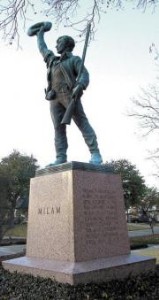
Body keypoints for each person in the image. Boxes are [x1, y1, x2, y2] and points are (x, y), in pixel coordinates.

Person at [36, 27, 103, 166]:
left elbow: (84, 74)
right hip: (54, 98)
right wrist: (40, 34)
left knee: (82, 123)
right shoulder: (52, 60)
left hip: (69, 95)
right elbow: (43, 48)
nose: (56, 45)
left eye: (58, 42)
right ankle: (60, 157)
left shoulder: (74, 60)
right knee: (58, 129)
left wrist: (81, 85)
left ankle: (95, 153)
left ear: (66, 45)